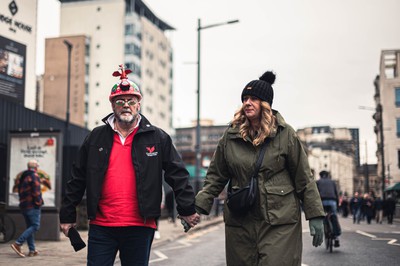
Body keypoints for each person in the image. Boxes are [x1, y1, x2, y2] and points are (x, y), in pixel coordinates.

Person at [59, 65, 200, 266]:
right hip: (102, 226)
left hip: (140, 226)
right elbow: (77, 178)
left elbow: (177, 174)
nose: (126, 105)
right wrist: (67, 214)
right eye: (120, 101)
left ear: (138, 105)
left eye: (131, 101)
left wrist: (187, 208)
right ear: (113, 106)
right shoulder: (95, 137)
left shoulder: (157, 137)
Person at [195, 71, 325, 266]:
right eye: (245, 99)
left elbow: (304, 178)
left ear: (266, 104)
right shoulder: (230, 136)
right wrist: (197, 207)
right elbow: (215, 176)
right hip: (241, 221)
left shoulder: (286, 134)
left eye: (253, 99)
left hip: (279, 221)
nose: (247, 102)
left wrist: (315, 214)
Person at [11, 159, 43, 258]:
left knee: (30, 226)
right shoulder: (34, 176)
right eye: (37, 165)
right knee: (35, 226)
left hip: (24, 206)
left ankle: (32, 250)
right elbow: (36, 192)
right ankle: (18, 243)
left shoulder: (24, 176)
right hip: (32, 206)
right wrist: (39, 203)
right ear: (36, 167)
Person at [316, 170, 342, 247]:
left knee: (322, 216)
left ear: (320, 176)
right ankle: (336, 237)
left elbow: (315, 193)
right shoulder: (332, 182)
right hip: (332, 201)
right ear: (327, 175)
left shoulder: (318, 182)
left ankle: (325, 228)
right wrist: (337, 204)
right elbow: (336, 193)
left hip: (322, 201)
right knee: (334, 216)